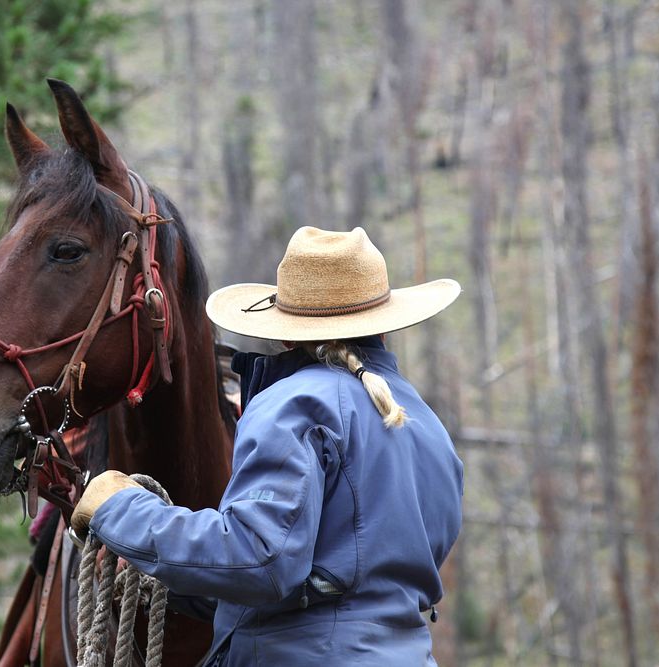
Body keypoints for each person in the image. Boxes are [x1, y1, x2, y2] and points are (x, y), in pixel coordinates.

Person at [72, 226, 464, 666]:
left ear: (287, 335)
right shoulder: (426, 424)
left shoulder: (294, 404)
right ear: (385, 328)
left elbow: (261, 558)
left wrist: (120, 512)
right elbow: (336, 587)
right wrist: (166, 574)